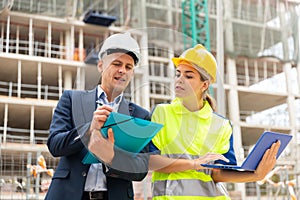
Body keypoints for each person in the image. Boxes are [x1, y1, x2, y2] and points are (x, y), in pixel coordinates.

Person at [149, 44, 281, 200]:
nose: (179, 80)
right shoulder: (161, 113)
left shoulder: (222, 125)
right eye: (178, 74)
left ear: (204, 85)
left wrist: (255, 176)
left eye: (188, 76)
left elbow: (217, 174)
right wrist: (195, 164)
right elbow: (150, 161)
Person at [45, 32, 150, 200]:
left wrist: (112, 157)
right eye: (116, 64)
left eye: (128, 67)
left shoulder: (140, 115)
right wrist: (88, 129)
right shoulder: (72, 100)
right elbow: (55, 145)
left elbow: (140, 170)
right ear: (101, 65)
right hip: (69, 194)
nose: (122, 70)